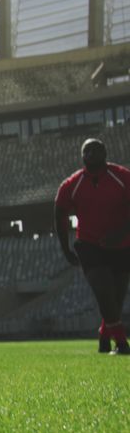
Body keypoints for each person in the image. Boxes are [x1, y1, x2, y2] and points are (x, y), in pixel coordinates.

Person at [55, 138, 130, 355]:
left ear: (105, 153)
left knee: (117, 296)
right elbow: (59, 212)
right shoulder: (72, 184)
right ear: (81, 156)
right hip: (89, 244)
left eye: (96, 150)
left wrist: (122, 233)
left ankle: (104, 335)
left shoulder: (122, 177)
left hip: (122, 244)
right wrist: (66, 247)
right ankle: (122, 343)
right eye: (87, 151)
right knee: (103, 290)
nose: (91, 155)